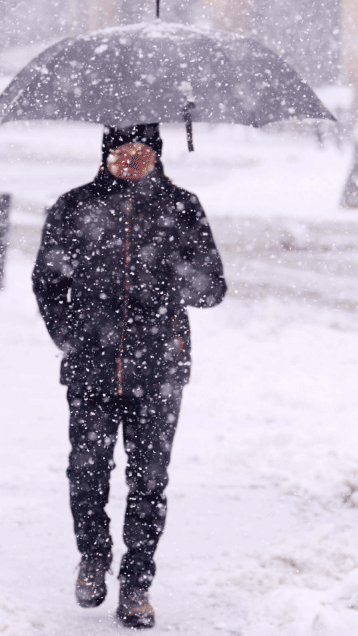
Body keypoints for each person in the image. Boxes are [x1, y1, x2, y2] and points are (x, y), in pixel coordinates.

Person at [33, 123, 226, 628]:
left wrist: (176, 271)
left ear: (158, 152)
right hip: (92, 366)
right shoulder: (74, 206)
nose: (132, 157)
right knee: (87, 469)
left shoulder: (181, 207)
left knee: (150, 479)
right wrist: (70, 335)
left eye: (142, 149)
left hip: (159, 367)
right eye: (122, 148)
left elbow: (213, 289)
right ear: (106, 153)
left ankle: (137, 582)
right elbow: (47, 281)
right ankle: (93, 557)